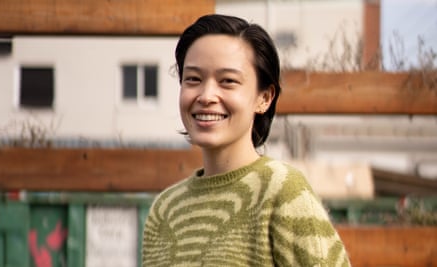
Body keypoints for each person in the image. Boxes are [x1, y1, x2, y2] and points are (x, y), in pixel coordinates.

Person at [142, 14, 351, 266]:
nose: (206, 95)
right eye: (193, 79)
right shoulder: (164, 210)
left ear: (264, 97)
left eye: (227, 81)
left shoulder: (282, 191)